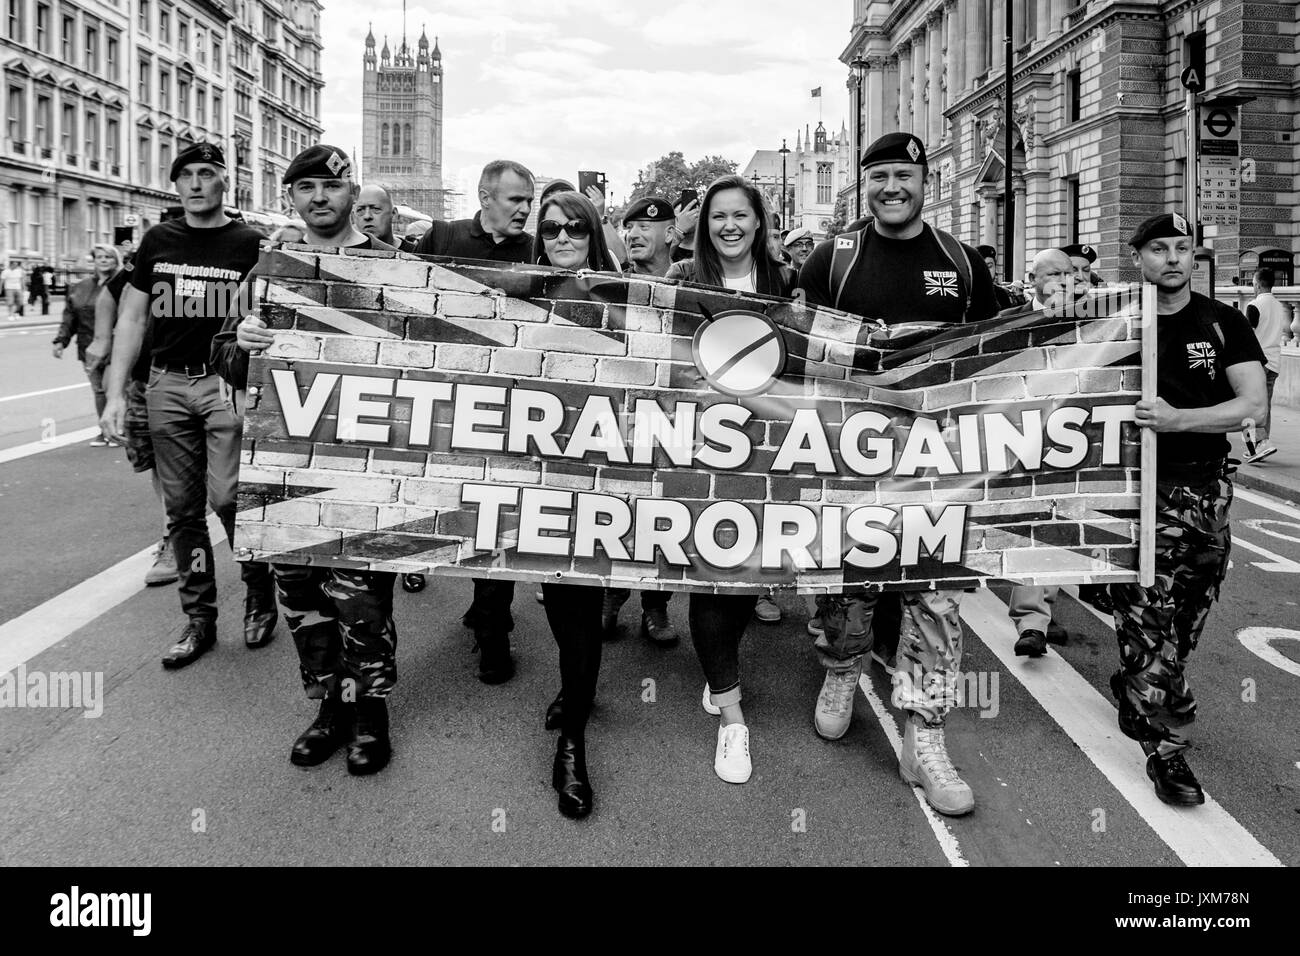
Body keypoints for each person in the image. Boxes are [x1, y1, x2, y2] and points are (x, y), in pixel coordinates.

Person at [797, 132, 998, 816]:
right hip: (849, 458)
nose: (891, 187)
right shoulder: (835, 259)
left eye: (903, 176)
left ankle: (927, 735)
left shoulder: (962, 264)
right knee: (845, 586)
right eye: (879, 175)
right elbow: (803, 351)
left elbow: (1001, 357)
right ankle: (841, 673)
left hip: (936, 465)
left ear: (925, 179)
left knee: (935, 599)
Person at [212, 145, 402, 776]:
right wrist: (240, 341)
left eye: (330, 185)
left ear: (353, 195)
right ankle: (329, 708)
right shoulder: (270, 267)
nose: (318, 197)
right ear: (290, 196)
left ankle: (369, 713)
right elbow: (226, 359)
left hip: (363, 460)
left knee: (361, 596)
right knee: (301, 595)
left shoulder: (397, 270)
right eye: (305, 187)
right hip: (285, 461)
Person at [99, 142, 277, 669]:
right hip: (166, 385)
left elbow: (267, 317)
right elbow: (130, 319)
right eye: (187, 175)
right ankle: (200, 619)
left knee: (228, 499)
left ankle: (258, 590)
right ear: (175, 185)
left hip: (221, 384)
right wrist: (114, 393)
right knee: (182, 512)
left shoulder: (249, 242)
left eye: (207, 174)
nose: (196, 183)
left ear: (226, 182)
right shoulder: (158, 239)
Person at [1109, 212, 1266, 806]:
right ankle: (1163, 752)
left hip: (1204, 497)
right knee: (1149, 626)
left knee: (1186, 622)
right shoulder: (1117, 324)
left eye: (1182, 247)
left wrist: (1180, 420)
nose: (1172, 258)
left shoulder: (1222, 322)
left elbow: (1250, 403)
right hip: (1134, 497)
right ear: (1138, 258)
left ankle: (1147, 680)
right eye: (1158, 248)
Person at [665, 174, 799, 785]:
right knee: (711, 579)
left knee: (748, 582)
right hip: (702, 456)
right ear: (703, 226)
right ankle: (732, 717)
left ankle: (721, 678)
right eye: (718, 216)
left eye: (740, 215)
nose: (729, 227)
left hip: (771, 455)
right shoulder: (681, 286)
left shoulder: (789, 285)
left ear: (758, 220)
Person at [412, 159, 537, 684]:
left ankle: (493, 629)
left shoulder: (537, 249)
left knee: (497, 514)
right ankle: (482, 604)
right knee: (460, 510)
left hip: (513, 406)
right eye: (515, 201)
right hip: (450, 403)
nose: (526, 211)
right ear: (485, 197)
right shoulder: (441, 237)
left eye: (529, 202)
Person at [521, 187, 623, 818]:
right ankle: (572, 688)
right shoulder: (513, 294)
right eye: (551, 229)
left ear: (593, 235)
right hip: (537, 475)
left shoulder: (626, 299)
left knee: (583, 602)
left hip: (605, 475)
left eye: (574, 229)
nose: (561, 238)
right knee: (560, 601)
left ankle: (573, 741)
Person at [598, 194, 680, 647]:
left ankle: (656, 606)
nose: (633, 234)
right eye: (628, 227)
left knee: (662, 515)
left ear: (671, 233)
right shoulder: (611, 283)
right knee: (616, 510)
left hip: (671, 417)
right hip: (621, 415)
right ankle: (611, 597)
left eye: (645, 227)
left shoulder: (688, 282)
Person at [998, 248, 1077, 657]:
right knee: (1030, 524)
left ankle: (1042, 614)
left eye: (1071, 274)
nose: (1064, 281)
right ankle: (1032, 619)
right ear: (1033, 278)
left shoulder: (1094, 324)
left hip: (1071, 442)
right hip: (1022, 439)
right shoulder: (1008, 323)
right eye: (1054, 274)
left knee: (1058, 523)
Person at [84, 251, 178, 588]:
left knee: (218, 484)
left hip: (204, 377)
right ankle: (175, 539)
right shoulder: (155, 248)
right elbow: (111, 291)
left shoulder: (235, 244)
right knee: (160, 464)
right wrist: (101, 339)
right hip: (146, 376)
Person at [55, 246, 124, 447]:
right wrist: (61, 340)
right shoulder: (81, 286)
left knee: (113, 388)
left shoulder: (123, 283)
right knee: (98, 390)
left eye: (108, 257)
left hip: (116, 346)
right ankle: (105, 431)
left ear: (116, 260)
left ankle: (120, 429)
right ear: (93, 261)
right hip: (88, 347)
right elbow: (70, 317)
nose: (103, 260)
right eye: (99, 257)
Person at [1244, 267, 1285, 463]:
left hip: (1257, 363)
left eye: (1252, 283)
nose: (1252, 287)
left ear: (1258, 284)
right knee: (1265, 405)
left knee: (1249, 404)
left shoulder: (1254, 305)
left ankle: (1260, 443)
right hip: (1275, 362)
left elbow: (1247, 336)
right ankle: (1258, 446)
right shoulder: (1279, 305)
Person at [353, 183, 403, 248]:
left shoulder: (415, 252)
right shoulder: (343, 253)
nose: (367, 216)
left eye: (375, 209)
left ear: (394, 214)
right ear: (354, 217)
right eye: (360, 210)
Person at [977, 244, 1024, 312]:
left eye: (989, 266)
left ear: (995, 268)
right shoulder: (967, 295)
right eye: (981, 267)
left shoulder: (1002, 294)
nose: (986, 271)